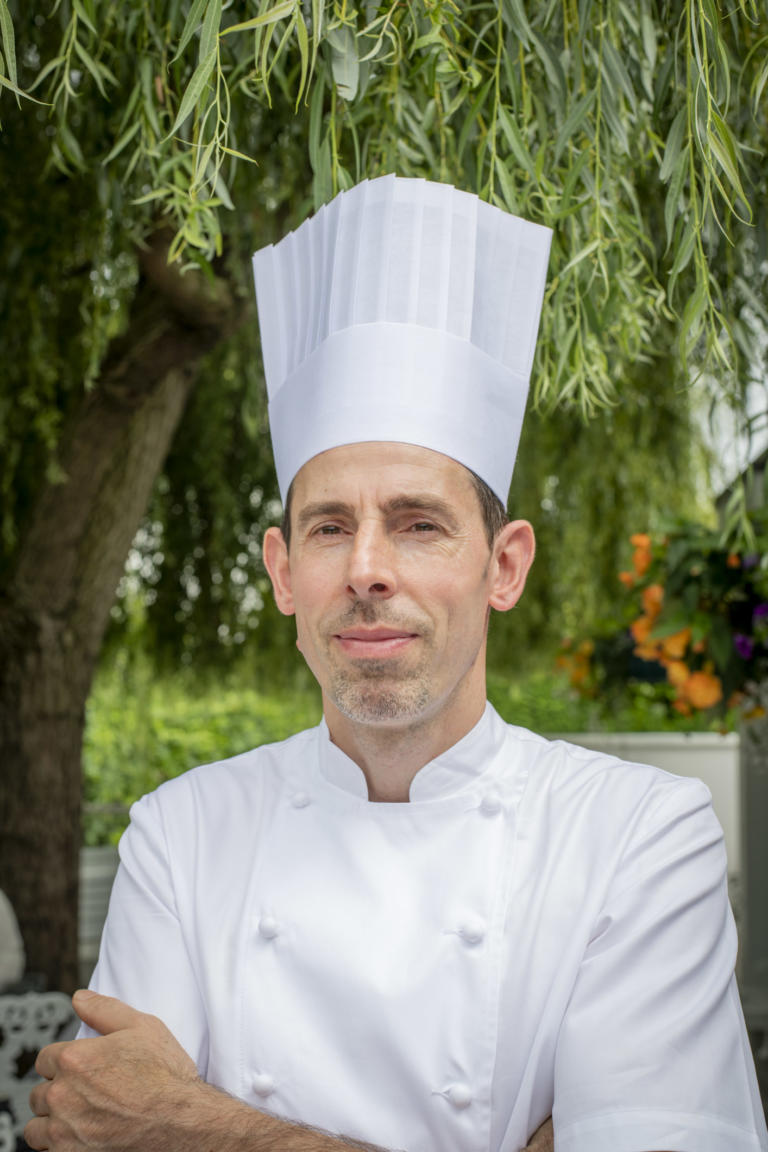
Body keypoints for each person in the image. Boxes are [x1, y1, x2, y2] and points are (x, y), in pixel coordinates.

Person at [26, 176, 767, 1152]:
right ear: (284, 572)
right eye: (330, 527)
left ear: (505, 567)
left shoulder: (639, 839)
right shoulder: (180, 836)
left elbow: (149, 1126)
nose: (367, 571)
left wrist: (192, 1124)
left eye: (418, 525)